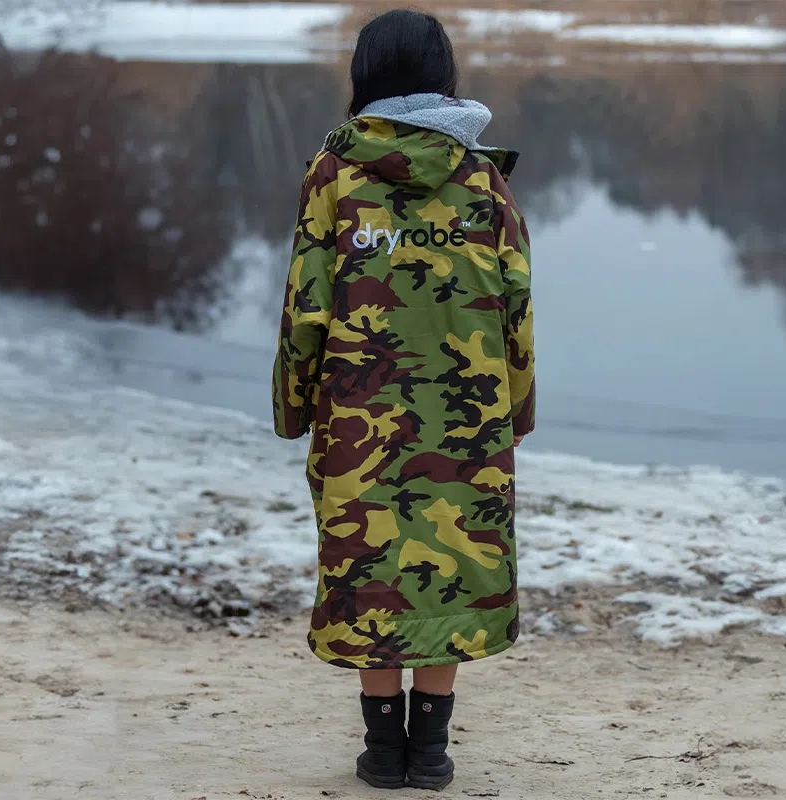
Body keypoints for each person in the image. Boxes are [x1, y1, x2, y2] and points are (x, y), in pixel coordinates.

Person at [271, 8, 534, 792]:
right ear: (444, 76)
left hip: (358, 417)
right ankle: (433, 752)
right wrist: (514, 407)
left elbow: (304, 304)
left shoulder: (335, 174)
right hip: (469, 417)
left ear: (366, 77)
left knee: (371, 566)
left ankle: (383, 751)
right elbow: (517, 303)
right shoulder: (481, 178)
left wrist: (293, 404)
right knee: (451, 567)